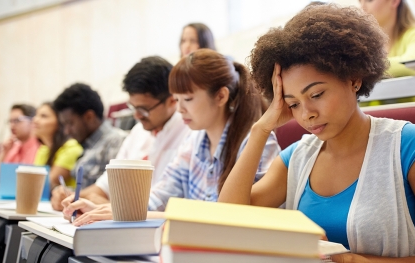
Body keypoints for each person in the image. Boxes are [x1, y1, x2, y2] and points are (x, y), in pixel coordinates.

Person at [217, 4, 415, 262]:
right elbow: (229, 220)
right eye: (294, 103)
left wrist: (357, 261)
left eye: (317, 94)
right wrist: (260, 128)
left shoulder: (409, 145)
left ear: (354, 78)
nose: (306, 114)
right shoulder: (298, 157)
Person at [61, 49, 281, 225]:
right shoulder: (194, 141)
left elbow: (230, 219)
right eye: (177, 100)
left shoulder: (258, 142)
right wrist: (108, 210)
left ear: (221, 96)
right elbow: (160, 198)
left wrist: (122, 213)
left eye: (188, 99)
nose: (180, 109)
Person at [50, 56, 191, 211]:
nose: (136, 116)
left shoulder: (189, 133)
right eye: (133, 107)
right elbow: (104, 186)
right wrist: (70, 199)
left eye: (144, 109)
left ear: (172, 100)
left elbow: (165, 204)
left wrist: (105, 204)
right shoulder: (138, 132)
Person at [52, 83, 126, 190]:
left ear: (89, 116)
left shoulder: (116, 141)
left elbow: (114, 192)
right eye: (64, 125)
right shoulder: (87, 144)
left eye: (70, 123)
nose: (67, 131)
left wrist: (72, 196)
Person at [359, 0, 415, 78]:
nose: (362, 8)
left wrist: (361, 67)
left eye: (369, 0)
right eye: (360, 1)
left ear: (394, 1)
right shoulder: (365, 41)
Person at [32, 103, 83, 188]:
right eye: (36, 115)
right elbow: (33, 181)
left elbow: (47, 183)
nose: (35, 120)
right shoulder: (43, 149)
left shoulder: (71, 147)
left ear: (60, 122)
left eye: (43, 116)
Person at [0, 104, 40, 193]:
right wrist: (3, 153)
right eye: (10, 121)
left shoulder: (41, 147)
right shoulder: (12, 147)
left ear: (32, 121)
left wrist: (0, 188)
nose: (12, 125)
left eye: (17, 120)